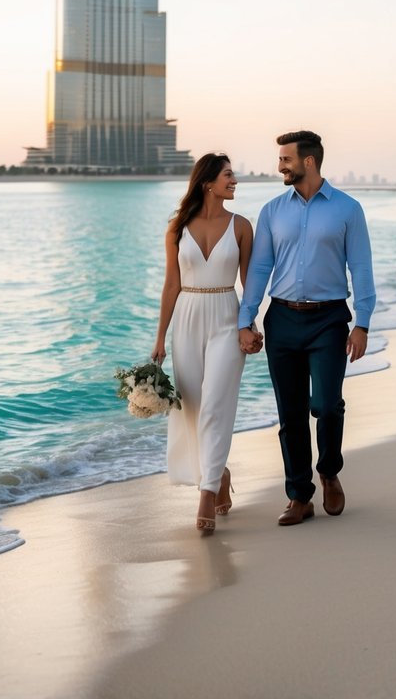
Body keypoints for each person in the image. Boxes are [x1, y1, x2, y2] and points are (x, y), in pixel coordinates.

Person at [238, 130, 376, 526]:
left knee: (326, 404)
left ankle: (329, 470)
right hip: (281, 319)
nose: (280, 165)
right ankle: (299, 495)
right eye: (280, 159)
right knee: (291, 413)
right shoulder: (271, 211)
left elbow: (361, 268)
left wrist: (362, 323)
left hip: (329, 319)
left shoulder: (348, 209)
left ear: (308, 162)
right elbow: (261, 267)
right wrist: (245, 318)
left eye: (286, 159)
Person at [153, 153, 261, 535]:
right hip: (186, 317)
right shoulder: (176, 227)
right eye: (228, 175)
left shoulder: (242, 227)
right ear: (207, 183)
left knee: (217, 403)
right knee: (194, 407)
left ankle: (207, 490)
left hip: (227, 318)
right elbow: (171, 285)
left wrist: (249, 326)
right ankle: (220, 471)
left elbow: (251, 286)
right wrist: (160, 338)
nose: (235, 181)